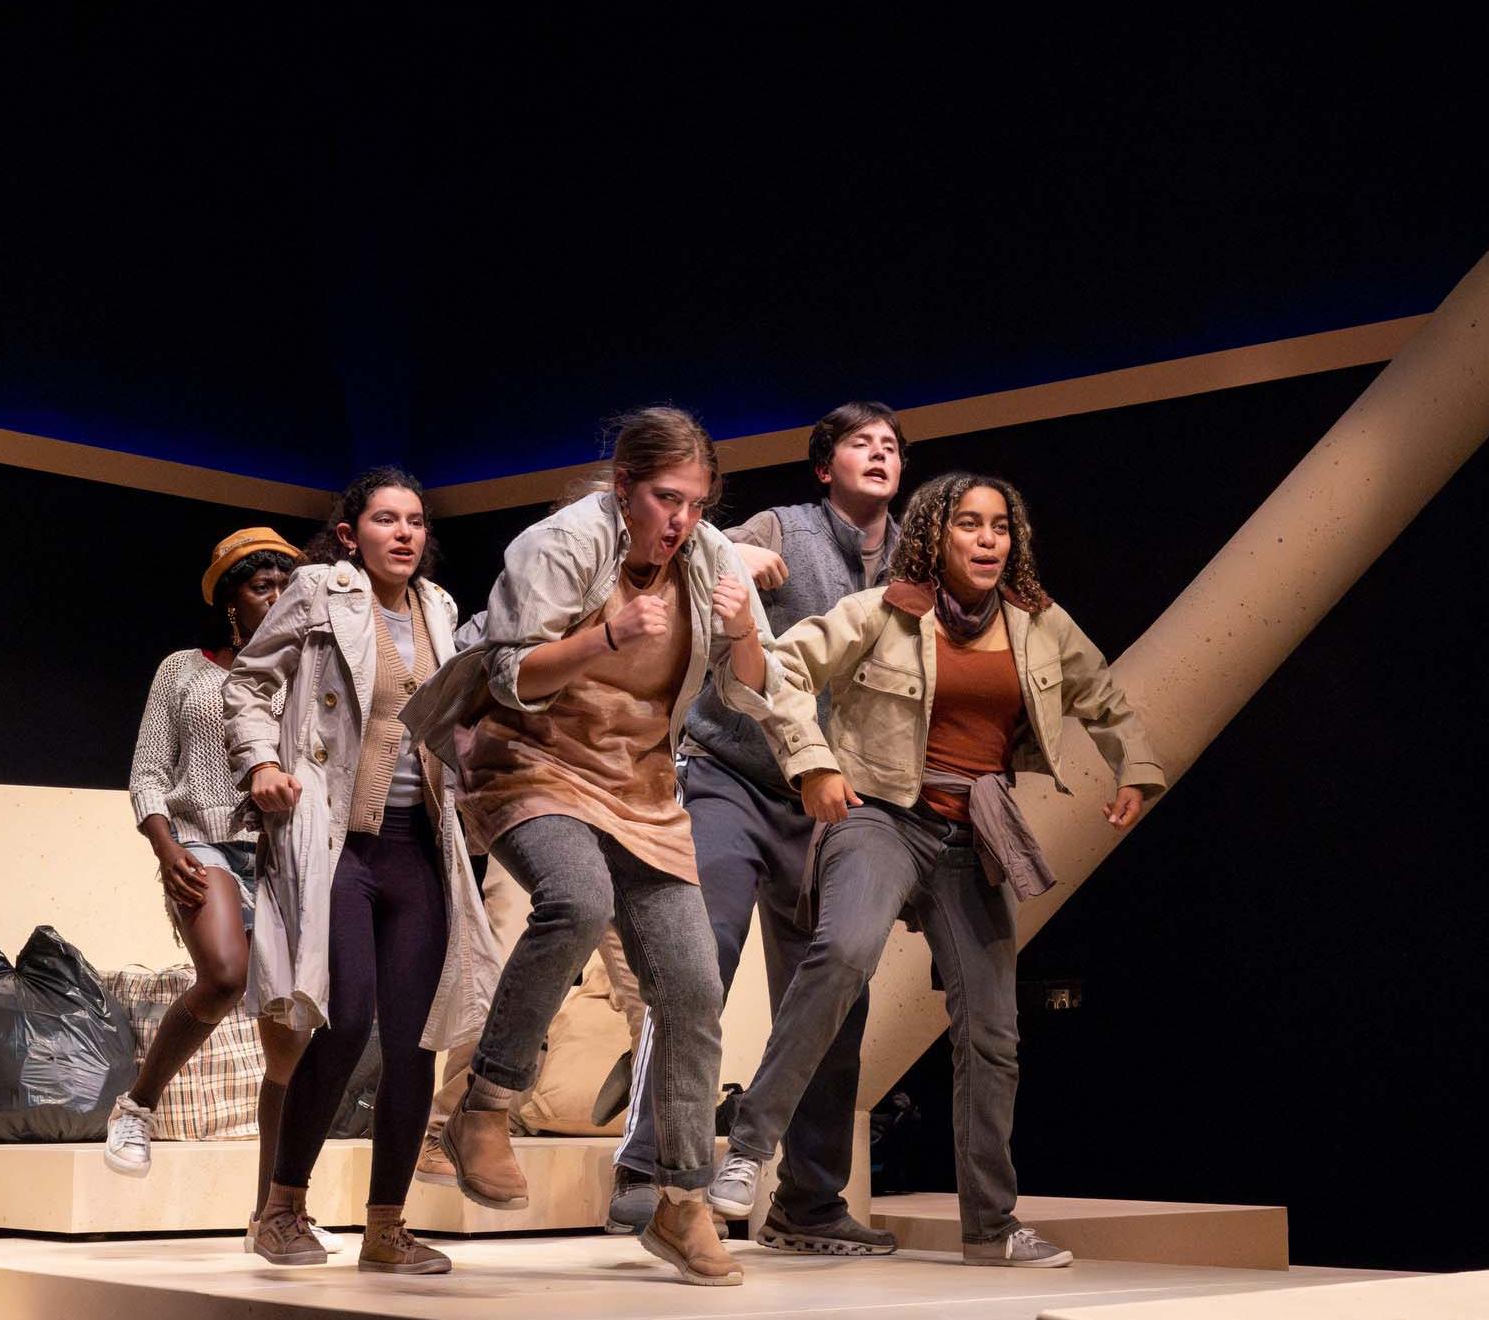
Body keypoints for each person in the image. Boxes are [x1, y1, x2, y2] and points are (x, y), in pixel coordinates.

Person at [706, 472, 1167, 1269]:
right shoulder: (881, 612)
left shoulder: (1039, 623)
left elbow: (1104, 697)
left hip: (971, 835)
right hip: (881, 815)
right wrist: (812, 762)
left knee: (993, 1031)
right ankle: (748, 1147)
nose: (990, 540)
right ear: (934, 535)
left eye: (1001, 527)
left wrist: (1137, 768)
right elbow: (775, 674)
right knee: (843, 953)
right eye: (970, 525)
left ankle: (991, 1227)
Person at [402, 405, 813, 1287]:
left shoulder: (705, 560)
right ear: (623, 487)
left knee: (694, 988)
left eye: (698, 503)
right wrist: (606, 638)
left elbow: (754, 693)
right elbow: (511, 674)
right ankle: (485, 1107)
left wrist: (742, 627)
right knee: (577, 900)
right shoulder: (556, 545)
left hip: (641, 788)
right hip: (530, 761)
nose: (682, 521)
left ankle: (679, 1200)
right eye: (667, 498)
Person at [609, 401, 907, 1255]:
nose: (881, 454)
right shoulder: (786, 523)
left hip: (834, 799)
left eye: (892, 446)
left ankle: (808, 1203)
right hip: (733, 773)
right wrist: (730, 552)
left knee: (832, 993)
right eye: (861, 443)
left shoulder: (907, 556)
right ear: (825, 466)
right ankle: (649, 1166)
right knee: (700, 954)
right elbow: (691, 550)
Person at [227, 467, 501, 1274]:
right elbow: (249, 683)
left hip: (419, 844)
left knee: (417, 1039)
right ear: (353, 535)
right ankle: (281, 1207)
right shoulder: (317, 592)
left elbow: (453, 716)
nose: (405, 534)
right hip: (339, 840)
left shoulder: (442, 609)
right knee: (343, 1021)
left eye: (416, 521)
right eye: (387, 520)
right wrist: (258, 767)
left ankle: (387, 1226)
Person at [109, 528, 332, 1249]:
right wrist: (165, 843)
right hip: (199, 842)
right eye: (261, 586)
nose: (276, 599)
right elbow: (148, 769)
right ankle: (138, 1106)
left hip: (284, 855)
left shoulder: (304, 676)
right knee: (226, 976)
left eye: (285, 587)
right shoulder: (185, 670)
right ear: (231, 599)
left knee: (289, 1045)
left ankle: (275, 1213)